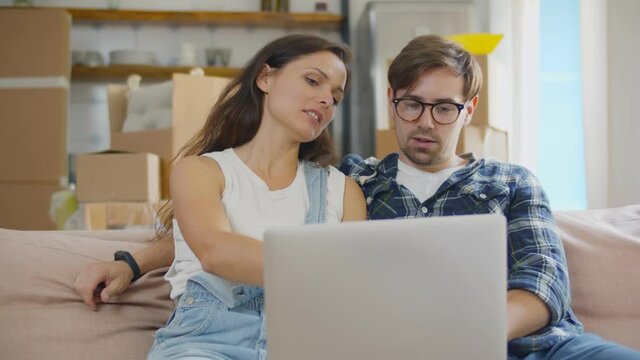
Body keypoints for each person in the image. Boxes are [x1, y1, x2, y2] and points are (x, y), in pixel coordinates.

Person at [339, 34, 640, 359]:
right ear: (390, 101)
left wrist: (469, 335)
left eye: (444, 108)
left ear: (469, 110)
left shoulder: (512, 181)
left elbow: (544, 279)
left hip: (544, 349)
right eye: (412, 104)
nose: (425, 123)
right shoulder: (356, 182)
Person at [75, 34, 366, 360]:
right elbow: (216, 251)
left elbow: (349, 292)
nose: (326, 99)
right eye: (313, 81)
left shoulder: (343, 191)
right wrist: (330, 270)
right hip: (206, 343)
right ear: (265, 77)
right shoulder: (200, 171)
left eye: (336, 97)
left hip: (303, 344)